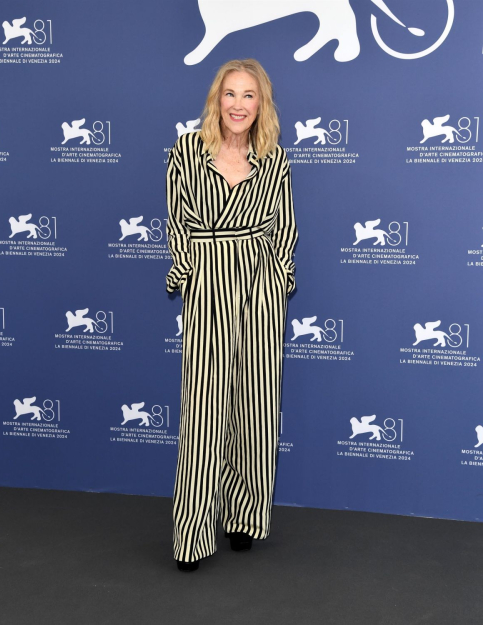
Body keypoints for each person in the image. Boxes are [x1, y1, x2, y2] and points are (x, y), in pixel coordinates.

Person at [165, 58, 298, 572]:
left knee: (257, 409)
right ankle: (192, 536)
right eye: (229, 94)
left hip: (260, 290)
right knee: (201, 415)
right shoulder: (186, 152)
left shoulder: (274, 160)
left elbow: (284, 229)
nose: (238, 105)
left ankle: (243, 516)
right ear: (215, 100)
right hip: (208, 283)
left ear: (260, 103)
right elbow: (178, 221)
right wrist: (190, 272)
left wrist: (279, 282)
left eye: (249, 95)